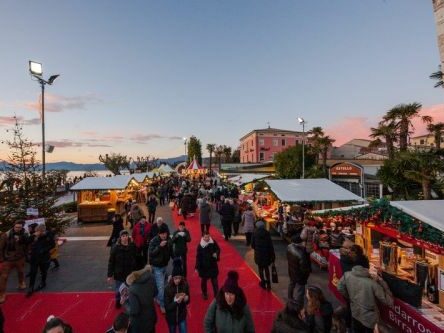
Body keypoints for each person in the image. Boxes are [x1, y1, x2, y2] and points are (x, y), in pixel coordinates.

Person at [337, 265, 393, 333]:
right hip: (369, 318)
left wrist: (350, 297)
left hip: (355, 312)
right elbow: (389, 301)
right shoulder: (372, 284)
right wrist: (381, 281)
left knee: (357, 329)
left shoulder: (347, 275)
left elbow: (340, 287)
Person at [0, 220, 30, 303]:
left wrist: (26, 254)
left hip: (20, 257)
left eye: (20, 227)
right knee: (4, 277)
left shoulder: (24, 234)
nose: (18, 229)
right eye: (16, 227)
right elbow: (1, 248)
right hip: (8, 259)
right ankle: (2, 294)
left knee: (20, 271)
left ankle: (21, 282)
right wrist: (1, 259)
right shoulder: (6, 235)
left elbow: (27, 244)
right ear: (14, 226)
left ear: (22, 227)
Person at [107, 230, 137, 308]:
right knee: (118, 289)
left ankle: (127, 302)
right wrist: (110, 275)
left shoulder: (132, 246)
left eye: (126, 236)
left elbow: (136, 258)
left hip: (129, 273)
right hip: (119, 273)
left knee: (129, 289)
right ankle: (118, 300)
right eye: (123, 236)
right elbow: (111, 262)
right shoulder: (115, 248)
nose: (125, 238)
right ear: (120, 238)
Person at [148, 223, 173, 314]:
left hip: (164, 266)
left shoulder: (169, 240)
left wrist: (176, 260)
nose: (163, 235)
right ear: (158, 234)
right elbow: (151, 253)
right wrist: (159, 247)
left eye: (165, 233)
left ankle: (157, 298)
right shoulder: (154, 241)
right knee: (161, 286)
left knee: (161, 284)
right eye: (161, 234)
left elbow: (171, 252)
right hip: (156, 267)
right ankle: (162, 305)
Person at [126, 265, 158, 333]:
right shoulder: (151, 277)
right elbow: (155, 293)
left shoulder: (132, 290)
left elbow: (134, 311)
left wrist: (125, 304)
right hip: (151, 317)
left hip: (140, 323)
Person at [26, 224, 55, 297]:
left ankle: (43, 282)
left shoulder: (48, 235)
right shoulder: (34, 235)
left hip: (44, 257)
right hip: (34, 257)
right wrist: (33, 236)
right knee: (33, 272)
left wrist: (44, 250)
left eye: (39, 231)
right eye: (36, 231)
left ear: (43, 231)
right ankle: (31, 287)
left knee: (43, 271)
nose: (37, 233)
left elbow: (52, 245)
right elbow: (27, 241)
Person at [164, 258, 190, 333]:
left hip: (182, 316)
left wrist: (186, 299)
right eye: (176, 278)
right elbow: (167, 307)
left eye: (179, 278)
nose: (177, 280)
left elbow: (188, 300)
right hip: (171, 318)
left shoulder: (185, 285)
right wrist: (176, 302)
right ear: (172, 277)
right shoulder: (167, 288)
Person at [287, 234, 311, 305]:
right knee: (300, 290)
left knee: (291, 284)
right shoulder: (301, 253)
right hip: (299, 274)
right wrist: (306, 275)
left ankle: (290, 298)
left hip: (291, 270)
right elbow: (304, 268)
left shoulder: (289, 247)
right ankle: (298, 304)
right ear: (299, 243)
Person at [251, 221, 275, 290]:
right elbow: (270, 244)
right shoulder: (267, 233)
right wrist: (272, 255)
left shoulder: (255, 233)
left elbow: (252, 245)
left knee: (260, 269)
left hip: (259, 254)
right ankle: (269, 284)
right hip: (266, 254)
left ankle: (263, 283)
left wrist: (256, 248)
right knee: (266, 268)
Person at [195, 232, 220, 300]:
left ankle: (216, 295)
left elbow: (218, 249)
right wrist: (197, 267)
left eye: (208, 237)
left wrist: (216, 253)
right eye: (205, 237)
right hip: (204, 267)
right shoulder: (200, 245)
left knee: (215, 282)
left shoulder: (213, 242)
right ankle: (204, 293)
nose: (207, 238)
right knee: (204, 281)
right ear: (203, 237)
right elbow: (198, 257)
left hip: (212, 265)